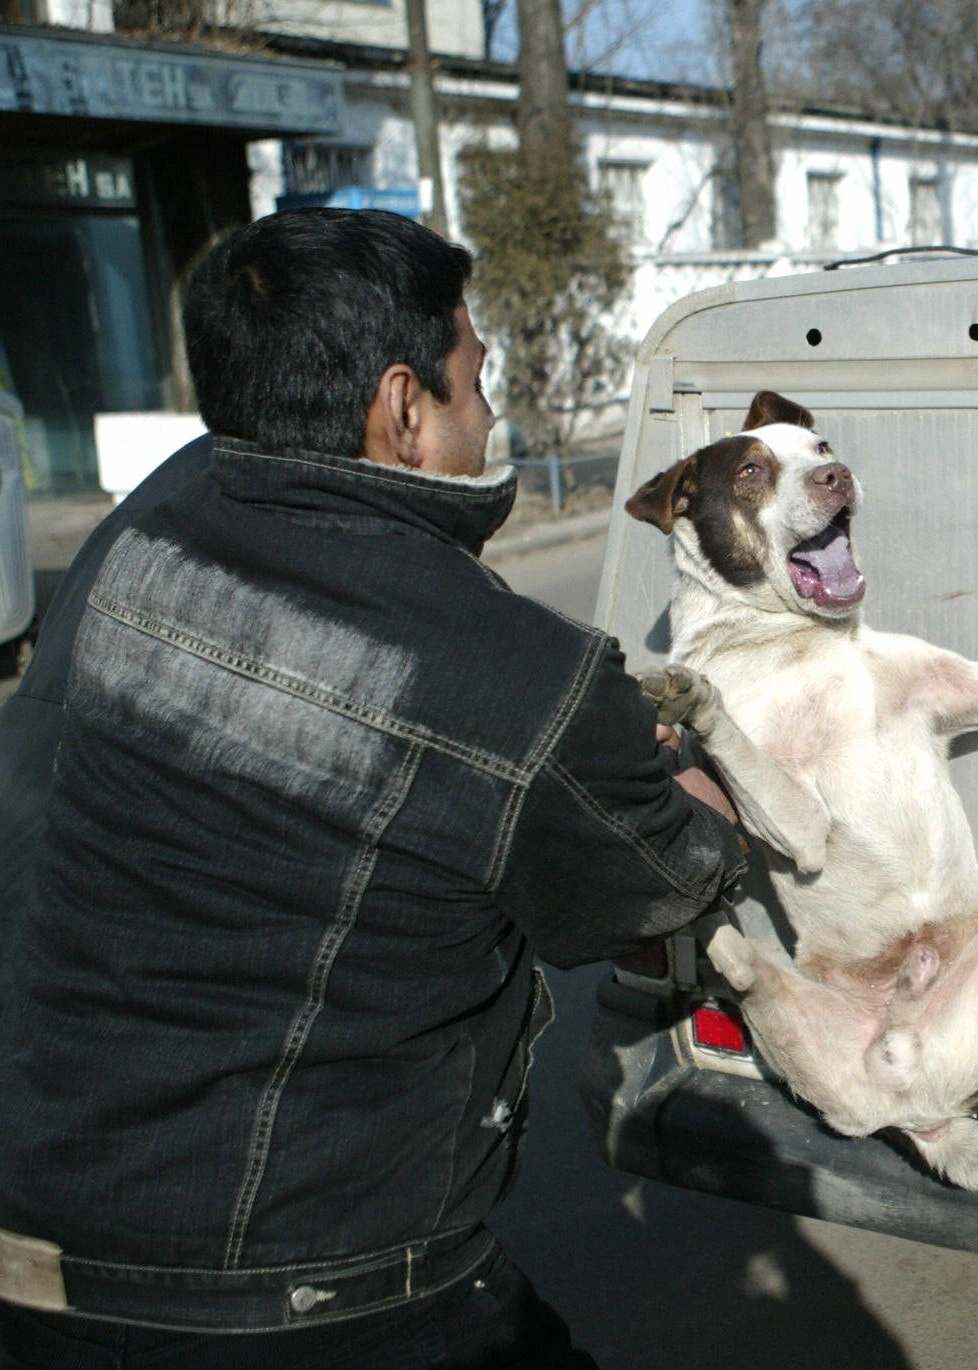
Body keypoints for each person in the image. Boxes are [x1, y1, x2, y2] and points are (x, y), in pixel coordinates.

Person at [0, 208, 745, 1368]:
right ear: (402, 409)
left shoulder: (144, 529)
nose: (491, 413)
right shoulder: (519, 675)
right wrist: (693, 759)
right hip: (314, 1294)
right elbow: (668, 877)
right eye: (475, 379)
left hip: (38, 1247)